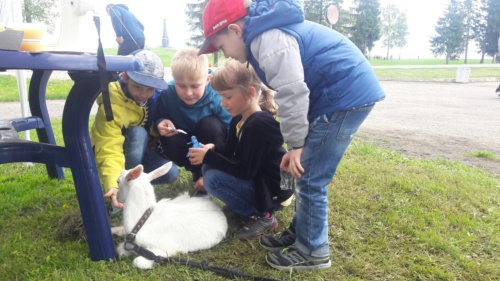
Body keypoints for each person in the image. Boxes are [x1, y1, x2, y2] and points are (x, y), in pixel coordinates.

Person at [199, 0, 386, 270]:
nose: (226, 54)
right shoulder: (262, 37)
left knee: (311, 177)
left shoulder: (269, 40)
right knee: (304, 171)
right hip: (334, 97)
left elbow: (292, 92)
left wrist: (296, 144)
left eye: (222, 46)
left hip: (344, 96)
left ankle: (314, 250)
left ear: (235, 31)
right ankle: (302, 232)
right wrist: (296, 146)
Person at [187, 60, 295, 240]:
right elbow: (230, 149)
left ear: (250, 93)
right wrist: (213, 149)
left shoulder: (258, 125)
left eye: (227, 97)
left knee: (212, 178)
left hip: (274, 192)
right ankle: (245, 206)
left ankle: (263, 216)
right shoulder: (238, 119)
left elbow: (246, 171)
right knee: (207, 168)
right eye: (221, 97)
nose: (222, 103)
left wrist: (211, 156)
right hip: (260, 183)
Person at [90, 49, 179, 210]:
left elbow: (151, 118)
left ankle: (135, 186)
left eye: (150, 89)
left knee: (171, 172)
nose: (144, 94)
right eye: (138, 87)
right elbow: (108, 145)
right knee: (138, 134)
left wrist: (159, 125)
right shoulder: (112, 105)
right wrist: (113, 182)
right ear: (125, 77)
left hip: (141, 154)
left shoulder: (155, 96)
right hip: (118, 156)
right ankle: (122, 194)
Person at [154, 48, 232, 193]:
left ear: (207, 80)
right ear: (174, 79)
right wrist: (161, 122)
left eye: (195, 86)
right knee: (168, 139)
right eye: (181, 86)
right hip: (185, 141)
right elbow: (159, 116)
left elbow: (231, 129)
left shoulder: (218, 95)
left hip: (211, 142)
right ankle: (197, 172)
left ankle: (210, 172)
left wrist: (217, 153)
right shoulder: (168, 93)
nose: (188, 93)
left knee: (210, 125)